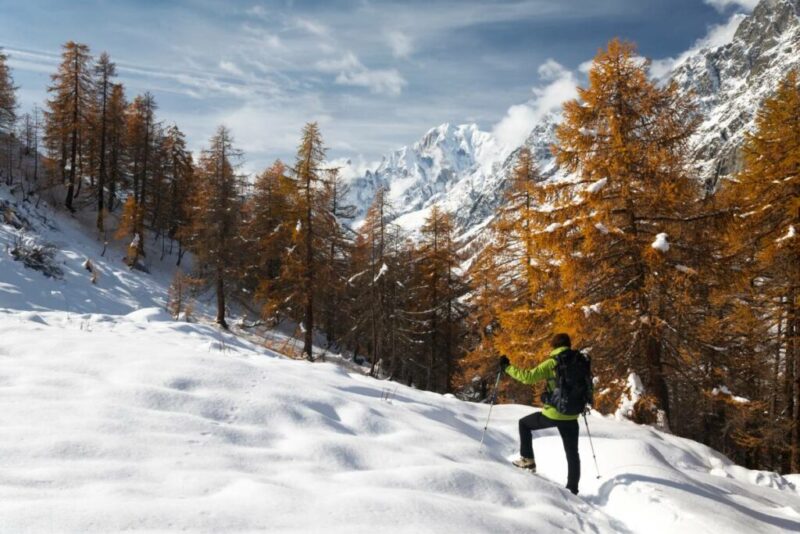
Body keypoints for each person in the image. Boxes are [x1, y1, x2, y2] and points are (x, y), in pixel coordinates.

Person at [498, 333, 581, 495]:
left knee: (524, 424)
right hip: (573, 414)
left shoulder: (552, 363)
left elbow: (527, 377)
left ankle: (528, 460)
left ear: (554, 346)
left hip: (553, 413)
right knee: (572, 452)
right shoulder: (579, 362)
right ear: (569, 345)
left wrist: (507, 367)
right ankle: (573, 488)